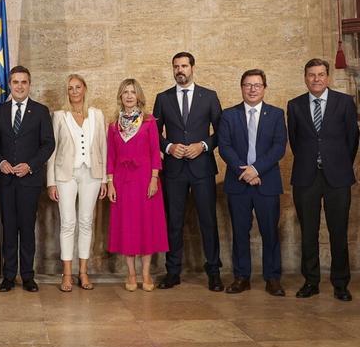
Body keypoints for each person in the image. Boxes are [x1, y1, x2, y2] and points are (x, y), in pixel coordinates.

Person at [287, 58, 359, 301]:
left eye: (320, 74)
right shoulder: (294, 105)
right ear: (305, 77)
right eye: (311, 75)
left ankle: (340, 283)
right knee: (308, 231)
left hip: (337, 176)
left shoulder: (345, 102)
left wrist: (335, 162)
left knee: (338, 231)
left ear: (327, 77)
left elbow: (352, 140)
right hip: (306, 177)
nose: (316, 79)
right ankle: (311, 281)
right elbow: (295, 141)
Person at [152, 52, 224, 291]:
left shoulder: (209, 96)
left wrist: (202, 146)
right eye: (176, 67)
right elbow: (154, 135)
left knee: (208, 221)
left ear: (193, 68)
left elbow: (221, 132)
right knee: (174, 222)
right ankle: (173, 272)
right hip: (174, 170)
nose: (179, 70)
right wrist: (170, 147)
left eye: (184, 66)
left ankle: (214, 271)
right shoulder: (163, 98)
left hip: (202, 168)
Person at [216, 69, 287, 296]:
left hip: (267, 182)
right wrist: (244, 171)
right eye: (248, 85)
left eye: (257, 85)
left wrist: (256, 169)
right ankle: (241, 277)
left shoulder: (276, 114)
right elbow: (225, 146)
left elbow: (278, 147)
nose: (252, 89)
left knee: (270, 232)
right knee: (239, 232)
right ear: (242, 88)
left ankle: (273, 278)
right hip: (238, 183)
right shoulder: (229, 115)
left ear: (264, 88)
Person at [0, 66, 55, 293]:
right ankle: (9, 275)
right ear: (9, 84)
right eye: (15, 82)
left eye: (24, 82)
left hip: (29, 180)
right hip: (5, 180)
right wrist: (1, 162)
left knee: (27, 229)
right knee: (8, 228)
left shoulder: (40, 111)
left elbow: (48, 143)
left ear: (29, 84)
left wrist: (30, 165)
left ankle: (27, 275)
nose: (19, 86)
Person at [105, 78, 168, 292]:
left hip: (145, 180)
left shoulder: (149, 122)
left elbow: (154, 152)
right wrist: (110, 184)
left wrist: (153, 179)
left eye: (133, 92)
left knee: (146, 227)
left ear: (138, 96)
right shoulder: (114, 126)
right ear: (120, 97)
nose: (129, 96)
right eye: (125, 92)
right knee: (128, 227)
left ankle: (146, 274)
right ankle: (131, 274)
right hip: (122, 182)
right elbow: (110, 157)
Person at [46, 74, 106, 292]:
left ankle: (84, 271)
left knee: (86, 221)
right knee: (68, 222)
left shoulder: (96, 115)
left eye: (77, 87)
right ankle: (67, 274)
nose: (74, 91)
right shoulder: (60, 116)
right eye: (70, 88)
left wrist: (105, 179)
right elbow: (52, 151)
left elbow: (103, 147)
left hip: (92, 174)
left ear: (84, 88)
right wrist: (51, 182)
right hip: (66, 174)